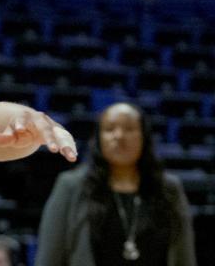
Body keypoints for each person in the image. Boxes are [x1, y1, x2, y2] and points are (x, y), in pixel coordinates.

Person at [36, 102, 196, 266]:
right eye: (109, 129)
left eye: (129, 129)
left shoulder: (169, 188)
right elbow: (49, 257)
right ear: (98, 138)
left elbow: (185, 257)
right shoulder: (70, 186)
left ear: (144, 137)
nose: (119, 136)